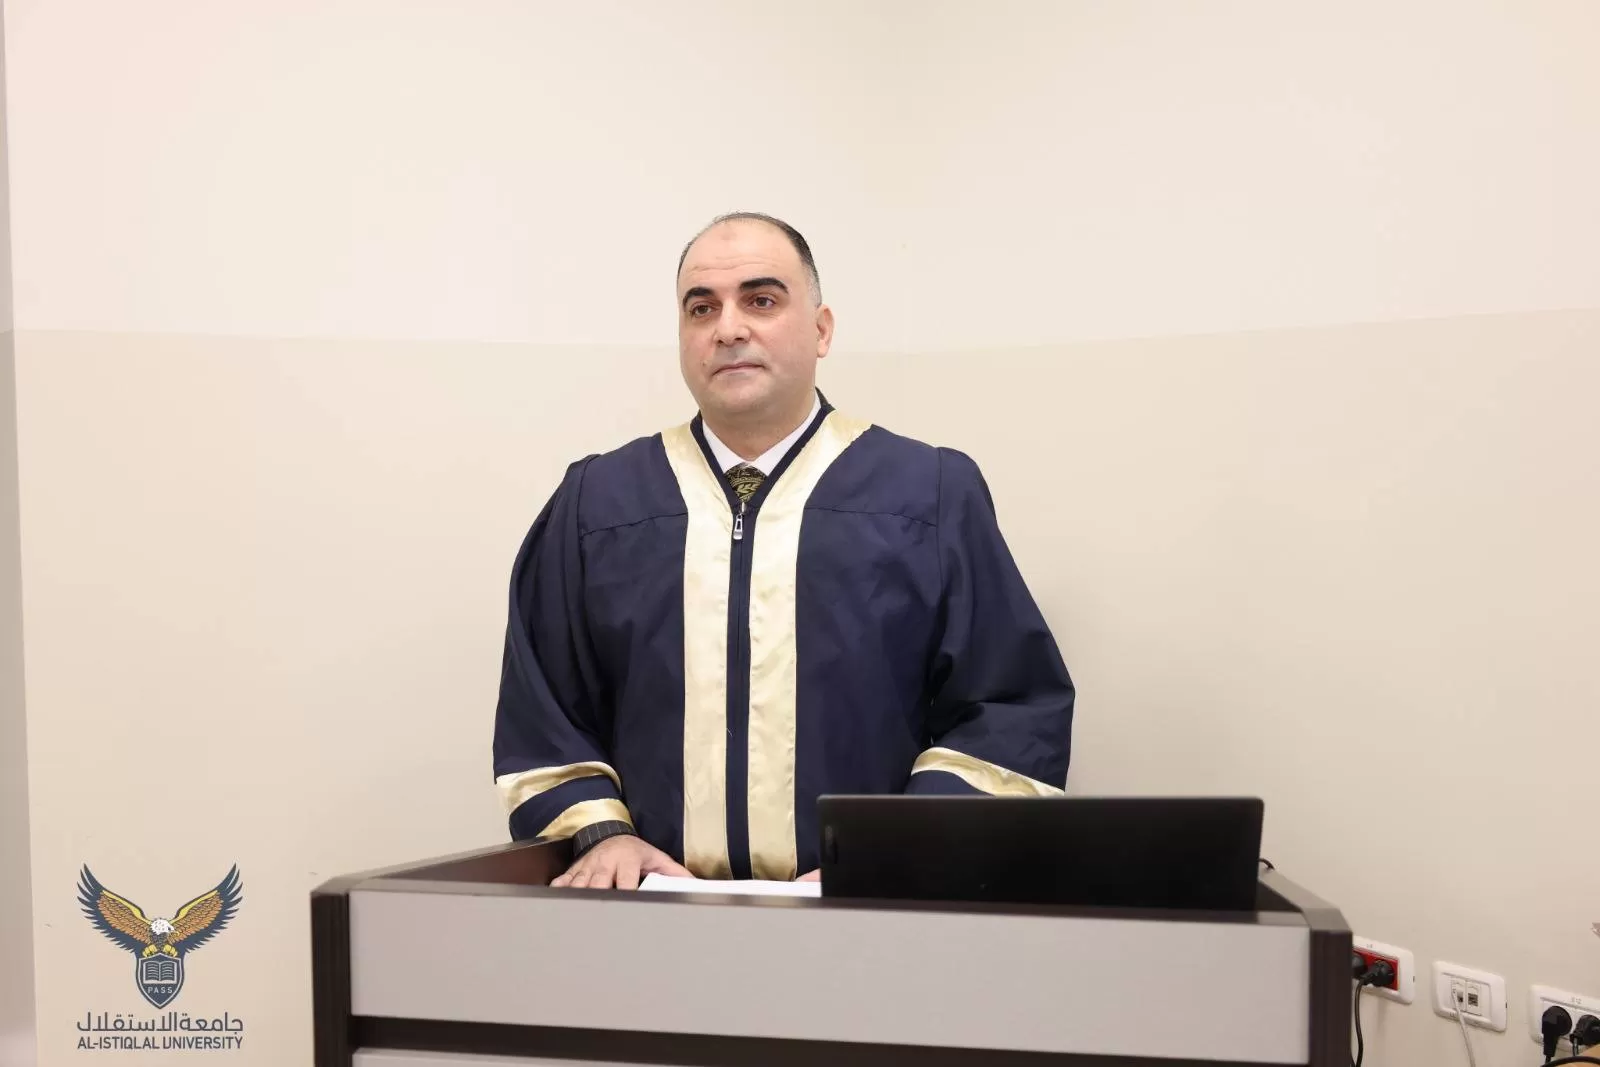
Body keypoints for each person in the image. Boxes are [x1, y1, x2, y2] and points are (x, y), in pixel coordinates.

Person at [492, 212, 1075, 889]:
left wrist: (897, 849)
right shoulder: (599, 503)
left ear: (821, 329)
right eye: (701, 308)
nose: (728, 328)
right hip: (652, 912)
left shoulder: (928, 493)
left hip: (868, 911)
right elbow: (545, 709)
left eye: (761, 300)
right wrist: (601, 834)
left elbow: (1007, 706)